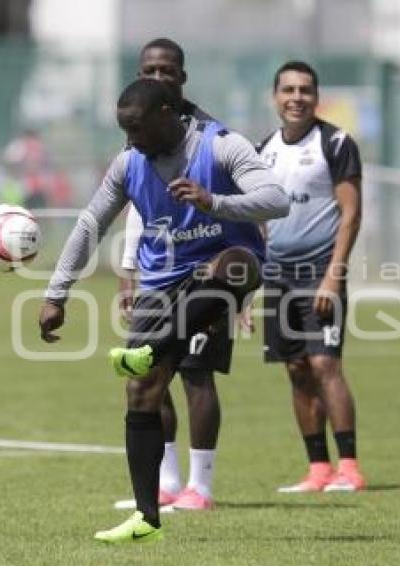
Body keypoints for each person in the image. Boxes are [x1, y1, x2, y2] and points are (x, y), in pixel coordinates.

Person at [39, 78, 289, 543]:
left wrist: (214, 201)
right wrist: (57, 293)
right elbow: (91, 223)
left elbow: (277, 201)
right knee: (141, 393)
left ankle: (156, 354)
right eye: (124, 130)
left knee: (235, 267)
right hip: (161, 283)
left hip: (224, 267)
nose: (130, 139)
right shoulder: (128, 162)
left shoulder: (221, 146)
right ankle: (145, 517)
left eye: (136, 129)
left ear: (166, 114)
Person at [115, 38, 232, 512]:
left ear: (182, 77)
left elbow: (246, 201)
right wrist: (128, 270)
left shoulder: (210, 136)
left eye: (166, 70)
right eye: (149, 69)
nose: (158, 76)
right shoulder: (137, 131)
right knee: (149, 372)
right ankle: (166, 482)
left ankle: (200, 486)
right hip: (155, 275)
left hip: (205, 272)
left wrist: (233, 282)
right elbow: (138, 209)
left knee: (196, 375)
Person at [256, 61, 366, 493]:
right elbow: (257, 218)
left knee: (325, 364)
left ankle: (350, 467)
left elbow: (351, 213)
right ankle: (318, 468)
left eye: (305, 90)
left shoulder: (336, 143)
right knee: (297, 369)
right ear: (275, 97)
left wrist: (333, 277)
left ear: (316, 97)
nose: (296, 97)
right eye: (288, 90)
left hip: (320, 271)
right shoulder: (263, 149)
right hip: (276, 275)